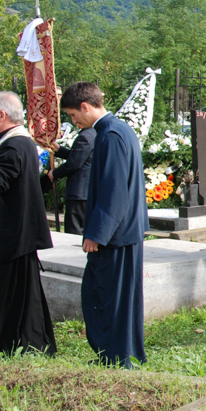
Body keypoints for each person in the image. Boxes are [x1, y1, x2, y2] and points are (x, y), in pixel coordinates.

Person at [60, 82, 149, 367]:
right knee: (120, 298)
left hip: (115, 236)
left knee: (107, 298)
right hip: (125, 231)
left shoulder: (109, 135)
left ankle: (116, 357)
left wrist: (97, 234)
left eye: (73, 115)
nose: (74, 122)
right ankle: (124, 354)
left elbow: (114, 191)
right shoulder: (118, 130)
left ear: (85, 106)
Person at [0, 91, 56, 358]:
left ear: (1, 115)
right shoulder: (12, 142)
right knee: (14, 296)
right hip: (10, 234)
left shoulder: (13, 145)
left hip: (5, 236)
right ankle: (11, 343)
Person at [48, 123, 95, 236]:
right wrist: (59, 150)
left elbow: (74, 163)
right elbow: (78, 155)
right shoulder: (94, 133)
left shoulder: (85, 136)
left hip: (80, 192)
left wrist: (55, 173)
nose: (74, 121)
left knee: (75, 230)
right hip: (88, 191)